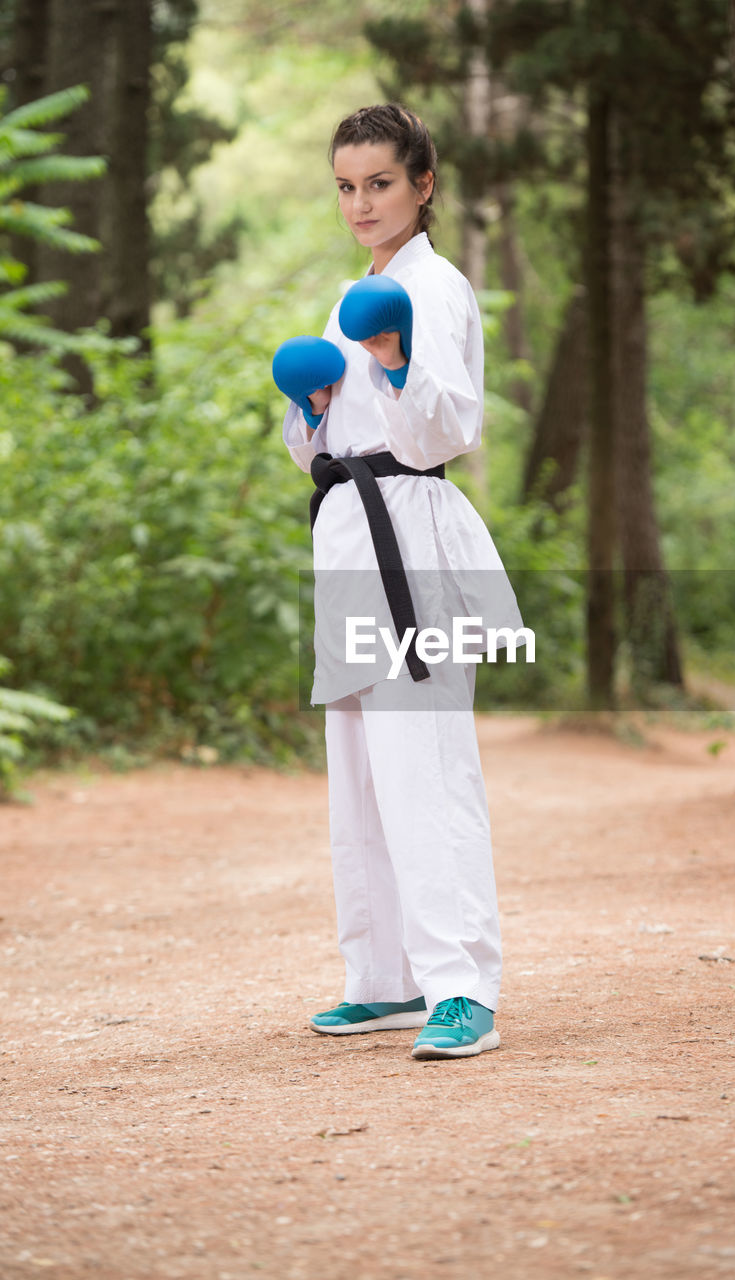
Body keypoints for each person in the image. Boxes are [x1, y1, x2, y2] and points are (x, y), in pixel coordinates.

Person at [281, 103, 524, 1059]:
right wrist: (312, 408)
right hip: (347, 536)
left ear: (423, 185)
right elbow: (322, 448)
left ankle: (463, 986)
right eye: (346, 186)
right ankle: (384, 978)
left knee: (426, 765)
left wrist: (394, 360)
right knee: (363, 774)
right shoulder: (356, 293)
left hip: (411, 537)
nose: (361, 202)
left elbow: (444, 430)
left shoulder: (439, 289)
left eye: (380, 183)